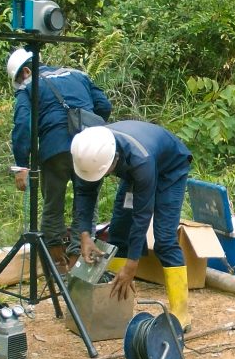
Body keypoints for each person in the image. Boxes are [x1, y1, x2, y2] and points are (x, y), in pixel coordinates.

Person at [70, 121, 194, 330]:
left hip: (170, 170)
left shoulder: (140, 160)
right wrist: (84, 235)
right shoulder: (87, 151)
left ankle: (181, 314)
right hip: (134, 171)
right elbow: (84, 193)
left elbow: (142, 214)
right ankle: (117, 308)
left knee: (164, 239)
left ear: (113, 160)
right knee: (118, 234)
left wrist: (132, 265)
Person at [7, 48, 111, 272]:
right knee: (87, 204)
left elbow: (23, 126)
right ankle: (78, 262)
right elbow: (104, 106)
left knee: (52, 205)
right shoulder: (77, 74)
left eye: (19, 79)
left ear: (26, 70)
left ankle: (57, 264)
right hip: (91, 146)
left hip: (55, 150)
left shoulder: (29, 86)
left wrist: (21, 166)